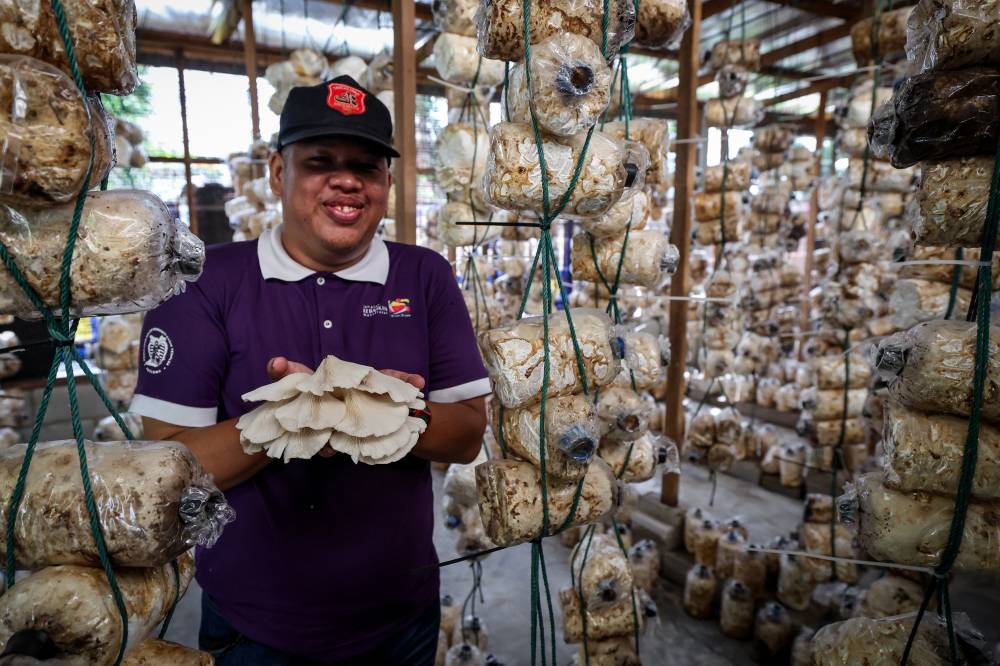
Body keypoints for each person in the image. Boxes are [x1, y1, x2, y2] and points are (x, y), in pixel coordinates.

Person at [130, 76, 490, 665]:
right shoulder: (205, 283)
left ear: (388, 184)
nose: (346, 180)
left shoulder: (424, 276)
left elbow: (469, 432)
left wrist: (379, 409)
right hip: (256, 625)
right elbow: (166, 466)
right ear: (278, 172)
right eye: (320, 161)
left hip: (400, 618)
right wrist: (293, 416)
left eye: (367, 167)